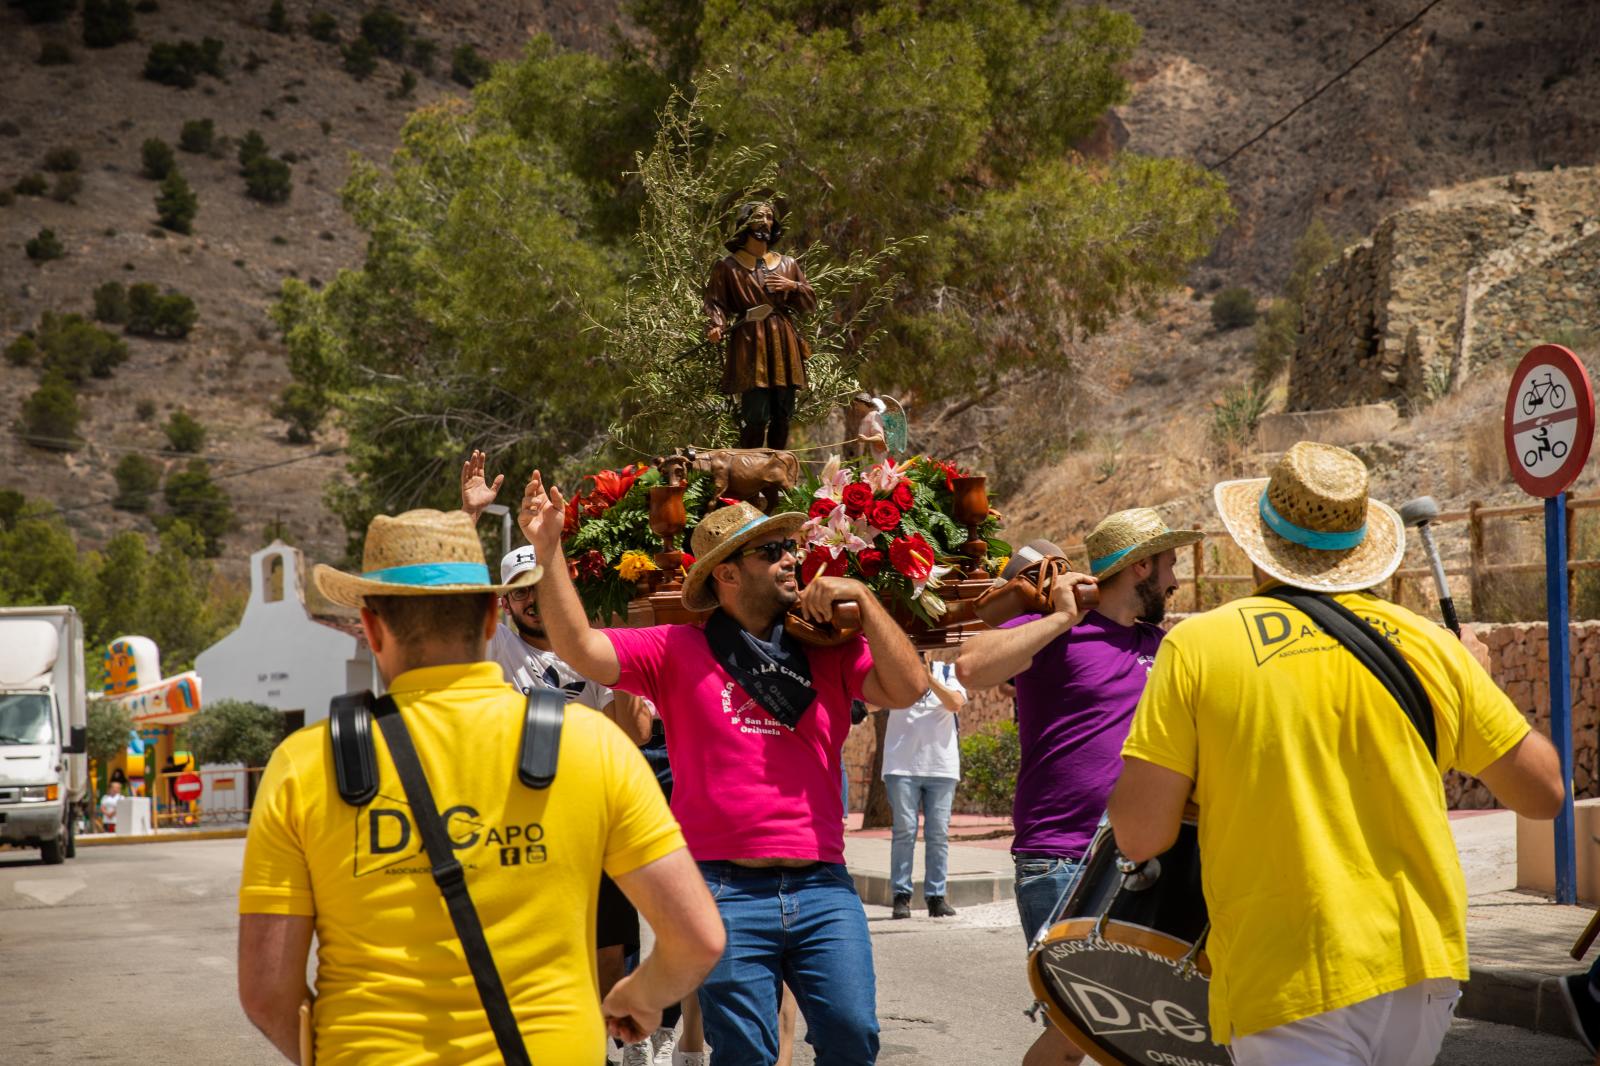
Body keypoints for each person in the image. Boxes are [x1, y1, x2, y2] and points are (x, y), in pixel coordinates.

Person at [1108, 441, 1564, 1066]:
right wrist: (1474, 678)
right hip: (1420, 969)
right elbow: (1543, 794)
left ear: (1256, 543)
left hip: (1286, 972)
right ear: (1356, 549)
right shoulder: (1431, 645)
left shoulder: (1198, 647)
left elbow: (1137, 836)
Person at [236, 508, 725, 1064]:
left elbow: (266, 993)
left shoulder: (303, 766)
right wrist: (638, 996)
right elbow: (697, 939)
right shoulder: (594, 748)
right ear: (494, 618)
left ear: (370, 628)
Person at [521, 468, 926, 1066]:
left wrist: (864, 602)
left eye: (790, 547)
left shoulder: (829, 647)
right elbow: (578, 647)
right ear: (727, 574)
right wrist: (548, 550)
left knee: (854, 1036)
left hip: (822, 886)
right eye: (772, 551)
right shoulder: (674, 649)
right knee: (744, 1055)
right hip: (722, 888)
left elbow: (911, 686)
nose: (792, 559)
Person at [461, 452, 692, 1066]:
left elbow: (637, 734)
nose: (534, 601)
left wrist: (630, 684)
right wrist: (469, 519)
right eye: (520, 593)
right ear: (505, 603)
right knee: (526, 948)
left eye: (542, 585)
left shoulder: (591, 647)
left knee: (609, 950)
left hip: (593, 818)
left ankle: (608, 1047)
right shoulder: (494, 645)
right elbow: (455, 599)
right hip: (517, 817)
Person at [955, 516, 1201, 1066]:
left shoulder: (1160, 647)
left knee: (1146, 1024)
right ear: (1141, 566)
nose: (1175, 582)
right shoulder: (1057, 632)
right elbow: (970, 666)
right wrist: (1065, 615)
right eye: (1169, 566)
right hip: (1061, 859)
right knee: (1079, 1029)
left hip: (1145, 857)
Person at [703, 201, 818, 450]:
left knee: (783, 413)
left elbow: (809, 302)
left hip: (784, 340)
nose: (764, 222)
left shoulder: (788, 264)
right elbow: (715, 302)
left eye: (768, 217)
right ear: (744, 223)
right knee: (756, 413)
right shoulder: (728, 267)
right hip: (750, 340)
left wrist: (793, 286)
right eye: (757, 217)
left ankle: (775, 475)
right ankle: (747, 473)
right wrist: (716, 325)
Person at [882, 654, 966, 920]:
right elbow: (874, 701)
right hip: (901, 766)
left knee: (938, 834)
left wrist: (928, 678)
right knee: (904, 831)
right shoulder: (896, 670)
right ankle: (901, 896)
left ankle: (936, 897)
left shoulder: (948, 672)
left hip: (941, 767)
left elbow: (954, 703)